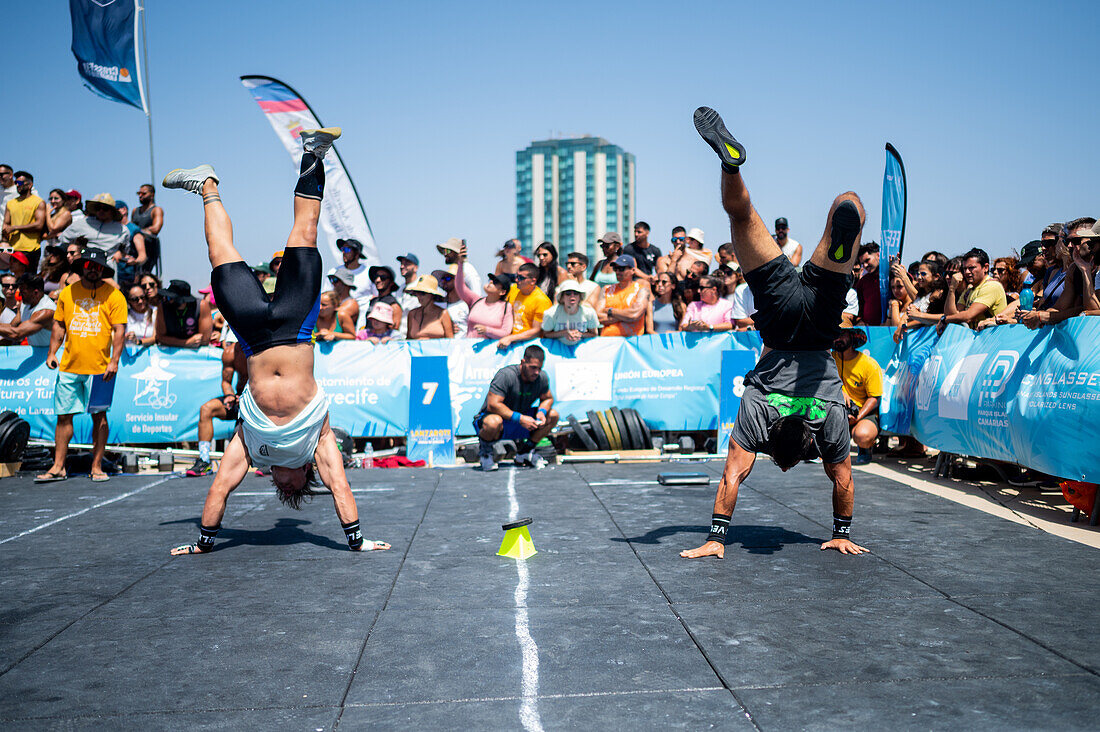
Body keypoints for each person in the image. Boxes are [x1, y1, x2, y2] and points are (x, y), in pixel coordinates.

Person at [162, 127, 390, 555]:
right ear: (303, 474)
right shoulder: (318, 443)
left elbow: (220, 489)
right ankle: (313, 155)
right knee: (304, 235)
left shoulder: (252, 449)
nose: (277, 480)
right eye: (288, 484)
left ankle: (206, 186)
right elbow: (339, 485)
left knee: (219, 254)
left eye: (277, 483)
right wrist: (357, 541)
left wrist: (204, 542)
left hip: (252, 336)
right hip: (295, 327)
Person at [681, 106, 869, 561]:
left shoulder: (828, 421)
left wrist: (842, 530)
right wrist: (716, 536)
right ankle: (731, 165)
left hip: (820, 322)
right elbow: (731, 478)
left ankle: (846, 228)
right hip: (780, 311)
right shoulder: (755, 415)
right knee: (740, 217)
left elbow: (843, 480)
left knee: (850, 203)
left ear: (808, 443)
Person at [35, 248, 127, 483]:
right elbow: (59, 325)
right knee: (64, 417)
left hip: (100, 369)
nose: (94, 270)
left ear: (103, 270)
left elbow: (119, 331)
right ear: (82, 267)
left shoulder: (114, 296)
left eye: (98, 267)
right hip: (69, 367)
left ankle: (96, 467)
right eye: (89, 266)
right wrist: (52, 353)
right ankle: (58, 467)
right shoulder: (67, 293)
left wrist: (114, 361)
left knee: (100, 417)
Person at [474, 345, 559, 471]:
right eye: (533, 368)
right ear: (523, 362)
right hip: (497, 421)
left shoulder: (542, 377)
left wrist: (541, 412)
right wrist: (520, 418)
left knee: (552, 415)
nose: (536, 372)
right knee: (493, 422)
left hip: (521, 419)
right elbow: (493, 404)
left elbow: (547, 398)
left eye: (539, 368)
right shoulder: (506, 375)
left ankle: (525, 452)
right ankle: (486, 454)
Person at [186, 339, 249, 477]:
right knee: (206, 409)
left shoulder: (259, 350)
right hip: (238, 399)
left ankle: (271, 462)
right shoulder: (230, 352)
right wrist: (229, 395)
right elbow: (226, 382)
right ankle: (204, 460)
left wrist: (248, 397)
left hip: (257, 399)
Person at [832, 328, 882, 465]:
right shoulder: (828, 360)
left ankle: (866, 448)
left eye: (842, 334)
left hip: (863, 412)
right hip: (835, 411)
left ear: (852, 337)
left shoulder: (869, 364)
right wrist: (841, 391)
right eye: (835, 334)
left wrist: (857, 417)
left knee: (862, 435)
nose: (838, 339)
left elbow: (875, 397)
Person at [58, 193, 130, 279]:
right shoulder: (84, 223)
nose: (101, 211)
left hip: (107, 267)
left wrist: (119, 253)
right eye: (98, 208)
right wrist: (77, 248)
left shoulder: (122, 230)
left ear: (112, 211)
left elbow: (125, 250)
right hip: (84, 265)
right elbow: (63, 238)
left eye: (105, 208)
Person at [938, 247, 1007, 333]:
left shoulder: (992, 286)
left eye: (971, 268)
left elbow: (968, 315)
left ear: (985, 267)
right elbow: (953, 315)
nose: (967, 272)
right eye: (964, 269)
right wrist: (952, 289)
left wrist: (945, 320)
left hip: (992, 340)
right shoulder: (969, 291)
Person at [454, 249, 514, 339]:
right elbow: (460, 287)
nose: (491, 282)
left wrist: (487, 330)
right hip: (469, 350)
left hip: (491, 351)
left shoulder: (506, 307)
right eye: (491, 280)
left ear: (502, 292)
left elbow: (506, 332)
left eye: (496, 282)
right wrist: (460, 264)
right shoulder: (476, 300)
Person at [498, 262, 551, 350]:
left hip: (529, 345)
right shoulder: (513, 289)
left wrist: (511, 338)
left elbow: (536, 331)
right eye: (516, 276)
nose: (517, 280)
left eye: (521, 278)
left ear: (533, 281)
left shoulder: (542, 301)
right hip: (508, 342)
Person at [596, 254, 651, 337]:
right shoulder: (606, 289)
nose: (617, 272)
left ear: (633, 270)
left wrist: (610, 311)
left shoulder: (641, 290)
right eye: (615, 269)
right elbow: (598, 317)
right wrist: (626, 316)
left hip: (631, 342)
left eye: (621, 269)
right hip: (608, 341)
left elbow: (634, 315)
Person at [2, 171, 46, 273]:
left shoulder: (38, 202)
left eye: (20, 183)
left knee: (29, 281)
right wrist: (4, 241)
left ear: (30, 185)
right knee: (15, 280)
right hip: (14, 248)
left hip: (32, 248)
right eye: (16, 183)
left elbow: (39, 225)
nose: (17, 185)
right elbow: (6, 225)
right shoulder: (11, 203)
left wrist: (15, 227)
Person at [155, 279, 213, 348]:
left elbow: (204, 339)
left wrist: (172, 341)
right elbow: (160, 338)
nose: (166, 300)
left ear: (182, 300)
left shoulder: (201, 306)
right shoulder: (162, 306)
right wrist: (186, 343)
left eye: (170, 298)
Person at [0, 274, 54, 347]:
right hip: (36, 351)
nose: (20, 295)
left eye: (23, 293)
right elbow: (12, 327)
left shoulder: (45, 312)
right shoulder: (24, 304)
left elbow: (17, 334)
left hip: (55, 354)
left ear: (35, 293)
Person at [334, 238, 378, 313]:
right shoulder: (334, 272)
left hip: (363, 318)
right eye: (342, 249)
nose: (344, 252)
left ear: (357, 254)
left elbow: (377, 295)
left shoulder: (369, 272)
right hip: (340, 315)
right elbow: (327, 294)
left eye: (347, 249)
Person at [128, 183, 164, 277]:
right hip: (134, 248)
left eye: (143, 193)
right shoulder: (135, 210)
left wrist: (140, 231)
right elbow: (131, 228)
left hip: (149, 248)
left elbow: (156, 228)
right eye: (139, 193)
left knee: (145, 273)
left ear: (152, 195)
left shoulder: (156, 210)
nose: (140, 196)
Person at [405, 274, 454, 339]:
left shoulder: (443, 314)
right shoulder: (412, 314)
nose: (419, 296)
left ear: (432, 295)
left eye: (423, 293)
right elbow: (408, 341)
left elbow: (450, 341)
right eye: (417, 292)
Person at [433, 267, 468, 337]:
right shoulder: (437, 306)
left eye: (448, 278)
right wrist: (447, 328)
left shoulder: (467, 305)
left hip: (463, 346)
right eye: (443, 279)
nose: (444, 281)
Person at [853, 241, 881, 325]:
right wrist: (860, 321)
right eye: (862, 263)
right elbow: (860, 309)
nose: (865, 265)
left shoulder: (892, 276)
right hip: (870, 333)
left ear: (878, 255)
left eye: (867, 260)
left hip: (892, 330)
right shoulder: (862, 283)